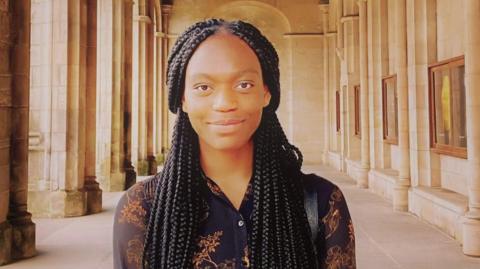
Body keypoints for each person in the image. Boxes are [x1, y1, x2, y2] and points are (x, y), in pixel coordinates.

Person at [113, 18, 355, 269]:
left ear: (266, 93)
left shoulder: (322, 203)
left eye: (244, 85)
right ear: (183, 99)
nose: (224, 103)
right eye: (203, 87)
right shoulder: (141, 209)